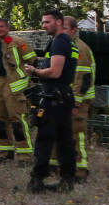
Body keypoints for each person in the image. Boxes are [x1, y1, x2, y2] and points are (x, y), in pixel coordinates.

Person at [24, 10, 79, 193]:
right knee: (65, 141)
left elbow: (55, 71)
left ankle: (37, 182)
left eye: (47, 22)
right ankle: (67, 181)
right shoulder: (68, 43)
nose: (44, 25)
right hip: (64, 95)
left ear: (59, 23)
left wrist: (34, 71)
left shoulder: (59, 43)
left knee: (44, 140)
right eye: (43, 22)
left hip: (54, 97)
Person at [0, 18, 36, 165]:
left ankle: (25, 156)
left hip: (13, 85)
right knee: (0, 119)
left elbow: (33, 61)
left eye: (1, 27)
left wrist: (26, 78)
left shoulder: (17, 42)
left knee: (17, 119)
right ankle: (5, 154)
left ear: (7, 28)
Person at [53, 16, 95, 180]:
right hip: (65, 97)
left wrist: (76, 103)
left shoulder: (79, 48)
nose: (60, 31)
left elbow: (83, 78)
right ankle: (58, 165)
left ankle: (80, 170)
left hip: (78, 100)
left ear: (73, 29)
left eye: (64, 28)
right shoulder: (64, 46)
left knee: (77, 134)